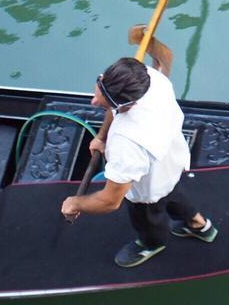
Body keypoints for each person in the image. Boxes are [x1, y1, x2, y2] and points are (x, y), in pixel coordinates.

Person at [60, 25, 218, 267]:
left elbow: (110, 201)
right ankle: (199, 224)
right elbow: (165, 58)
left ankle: (152, 243)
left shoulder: (127, 143)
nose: (93, 100)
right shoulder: (152, 79)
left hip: (147, 182)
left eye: (100, 101)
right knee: (171, 190)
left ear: (124, 105)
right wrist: (148, 41)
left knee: (148, 215)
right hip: (172, 160)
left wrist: (75, 202)